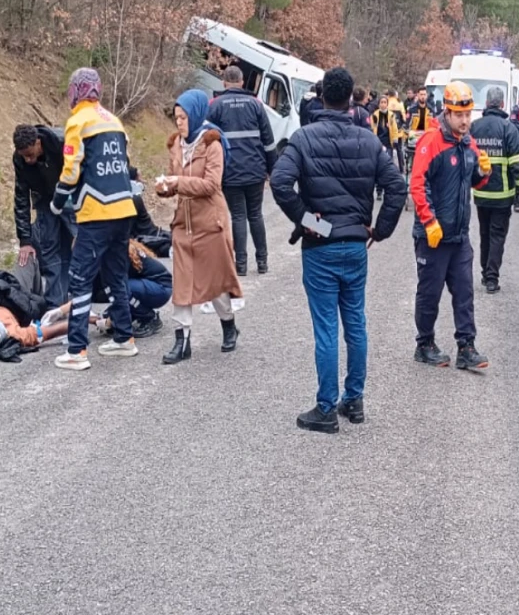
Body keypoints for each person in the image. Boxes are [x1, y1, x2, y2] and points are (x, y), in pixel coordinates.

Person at [270, 67, 407, 434]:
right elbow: (397, 187)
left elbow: (280, 182)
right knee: (355, 322)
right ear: (351, 99)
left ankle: (326, 407)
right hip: (355, 242)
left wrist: (306, 220)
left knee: (327, 327)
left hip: (321, 244)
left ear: (321, 98)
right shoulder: (368, 141)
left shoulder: (304, 137)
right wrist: (380, 230)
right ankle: (355, 400)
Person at [52, 68, 139, 371]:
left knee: (80, 279)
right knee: (116, 275)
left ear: (76, 90)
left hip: (96, 211)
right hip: (124, 209)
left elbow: (71, 170)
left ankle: (77, 350)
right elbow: (125, 165)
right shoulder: (114, 121)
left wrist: (58, 200)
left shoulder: (78, 121)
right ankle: (125, 338)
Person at [409, 81, 492, 370]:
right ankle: (424, 344)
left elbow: (473, 182)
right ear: (447, 112)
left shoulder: (468, 143)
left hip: (459, 235)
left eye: (468, 114)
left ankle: (466, 347)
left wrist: (483, 172)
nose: (465, 120)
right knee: (429, 293)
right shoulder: (431, 141)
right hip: (432, 236)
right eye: (459, 115)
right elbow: (417, 184)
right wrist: (429, 221)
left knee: (465, 291)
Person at [158, 89, 243, 364]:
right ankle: (182, 341)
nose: (179, 123)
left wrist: (178, 183)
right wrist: (165, 188)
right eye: (176, 118)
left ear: (195, 115)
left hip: (210, 222)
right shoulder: (175, 144)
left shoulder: (211, 143)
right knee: (182, 282)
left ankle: (228, 325)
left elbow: (212, 185)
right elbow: (174, 180)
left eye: (183, 117)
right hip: (183, 224)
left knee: (215, 281)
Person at [207, 65, 276, 277]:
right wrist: (272, 170)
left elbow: (207, 140)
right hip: (255, 170)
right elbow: (269, 141)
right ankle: (262, 261)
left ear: (224, 82)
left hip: (230, 171)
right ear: (242, 81)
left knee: (238, 215)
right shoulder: (256, 104)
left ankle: (241, 265)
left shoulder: (215, 105)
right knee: (256, 214)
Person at [12, 124, 75, 308]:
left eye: (30, 154)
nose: (28, 160)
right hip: (45, 202)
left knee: (78, 247)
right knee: (49, 252)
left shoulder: (62, 143)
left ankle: (79, 299)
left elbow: (85, 171)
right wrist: (25, 240)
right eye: (24, 156)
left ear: (38, 143)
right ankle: (56, 305)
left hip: (71, 198)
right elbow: (21, 196)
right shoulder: (20, 159)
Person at [469, 87, 519, 294]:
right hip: (502, 195)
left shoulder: (474, 127)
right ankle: (492, 278)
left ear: (486, 103)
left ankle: (485, 273)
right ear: (502, 104)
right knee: (497, 236)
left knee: (484, 234)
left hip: (480, 193)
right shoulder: (508, 128)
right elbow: (518, 162)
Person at [128, 167, 171, 257]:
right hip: (150, 239)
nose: (142, 183)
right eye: (139, 180)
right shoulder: (133, 200)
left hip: (151, 239)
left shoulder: (133, 200)